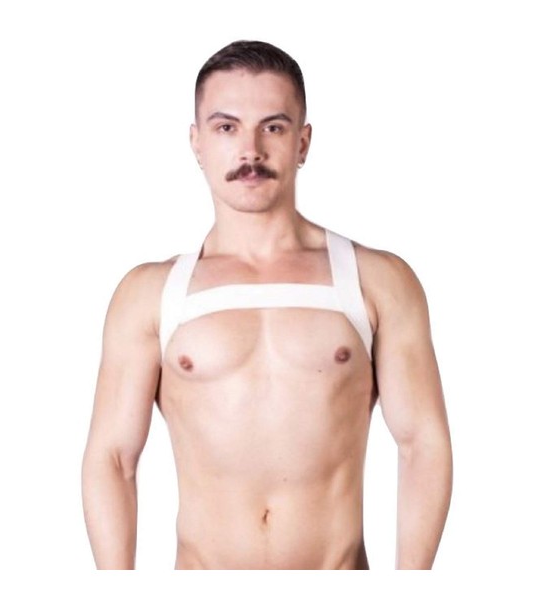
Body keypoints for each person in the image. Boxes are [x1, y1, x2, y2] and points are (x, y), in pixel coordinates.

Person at [81, 40, 453, 570]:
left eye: (273, 127)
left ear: (303, 142)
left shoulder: (377, 280)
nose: (250, 150)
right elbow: (113, 458)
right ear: (197, 142)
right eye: (226, 127)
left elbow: (423, 443)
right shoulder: (148, 294)